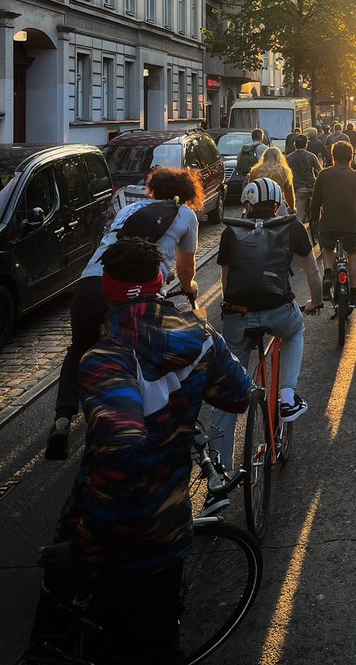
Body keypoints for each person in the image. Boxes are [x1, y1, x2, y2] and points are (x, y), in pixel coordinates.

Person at [29, 238, 253, 664]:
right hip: (167, 528)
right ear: (160, 282)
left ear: (108, 292)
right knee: (156, 646)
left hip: (109, 538)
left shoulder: (104, 357)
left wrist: (84, 551)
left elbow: (122, 448)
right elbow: (239, 395)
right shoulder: (199, 336)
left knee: (56, 643)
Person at [45, 166, 203, 461]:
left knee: (79, 348)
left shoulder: (129, 210)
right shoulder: (185, 215)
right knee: (145, 354)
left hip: (92, 282)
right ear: (187, 193)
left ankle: (62, 419)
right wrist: (189, 286)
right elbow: (185, 267)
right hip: (135, 294)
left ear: (154, 190)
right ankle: (145, 422)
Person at [211, 178, 322, 472]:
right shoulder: (292, 226)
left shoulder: (231, 231)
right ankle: (287, 395)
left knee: (228, 390)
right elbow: (312, 271)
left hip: (238, 315)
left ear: (247, 204)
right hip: (279, 311)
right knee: (295, 331)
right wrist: (316, 301)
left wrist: (233, 309)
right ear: (277, 205)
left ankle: (219, 472)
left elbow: (226, 281)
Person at [309, 140, 356, 308]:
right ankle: (354, 292)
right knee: (352, 254)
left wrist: (315, 219)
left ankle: (328, 273)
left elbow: (315, 201)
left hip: (328, 224)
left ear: (333, 156)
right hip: (352, 225)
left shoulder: (323, 175)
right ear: (351, 157)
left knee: (327, 249)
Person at [285, 134, 322, 225]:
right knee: (320, 208)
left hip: (299, 189)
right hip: (312, 187)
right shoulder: (311, 156)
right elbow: (320, 171)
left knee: (299, 215)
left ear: (295, 145)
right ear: (306, 144)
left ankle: (300, 230)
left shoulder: (288, 158)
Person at [248, 145, 295, 213]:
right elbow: (288, 193)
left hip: (258, 205)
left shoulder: (255, 170)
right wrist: (292, 208)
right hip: (277, 204)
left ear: (264, 156)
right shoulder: (285, 171)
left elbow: (251, 189)